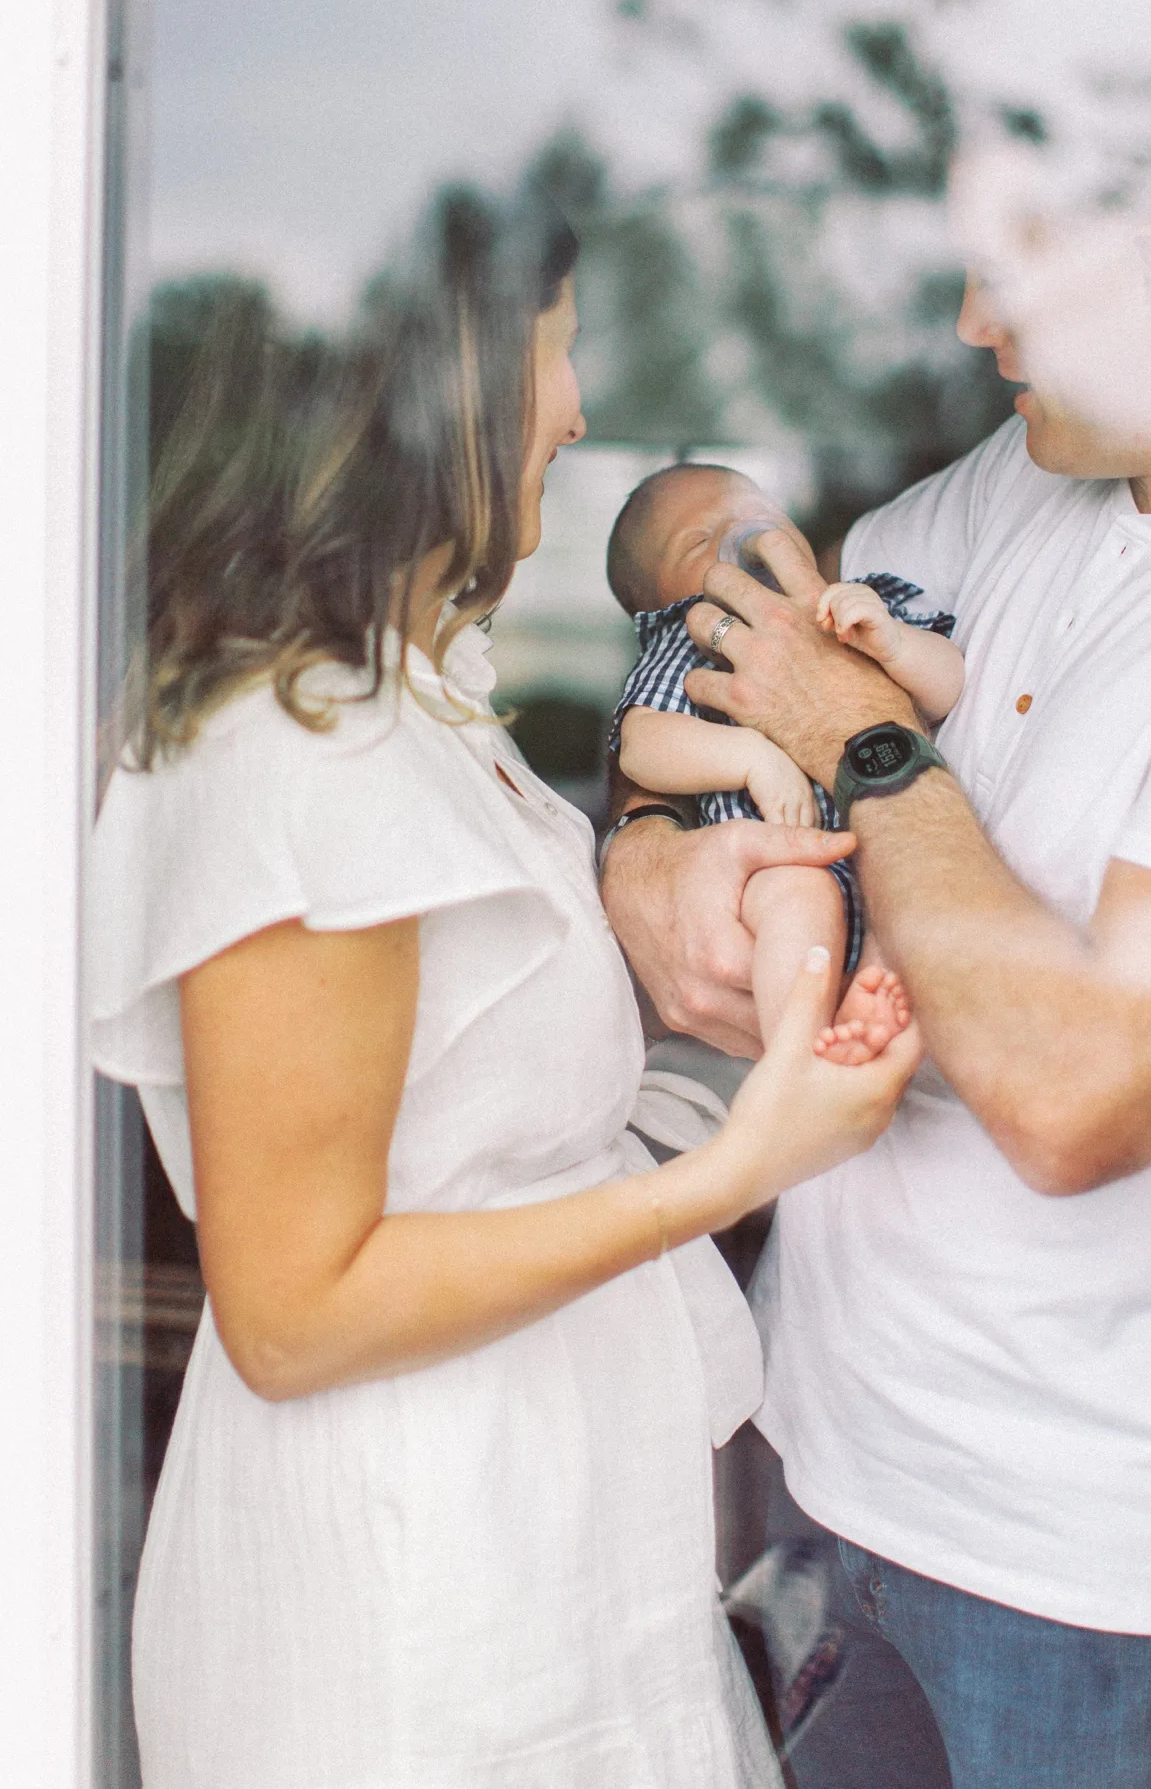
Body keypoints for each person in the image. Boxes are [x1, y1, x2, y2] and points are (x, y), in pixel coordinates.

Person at [601, 256, 1151, 1789]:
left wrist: (862, 734)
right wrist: (643, 855)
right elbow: (748, 700)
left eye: (1015, 262)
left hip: (1108, 1596)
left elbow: (1073, 1093)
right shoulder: (1023, 479)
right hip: (830, 1482)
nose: (967, 324)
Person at [87, 190, 917, 1789]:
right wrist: (743, 1171)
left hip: (527, 1559)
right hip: (410, 1617)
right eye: (560, 350)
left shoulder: (412, 710)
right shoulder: (296, 753)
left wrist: (713, 1020)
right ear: (443, 385)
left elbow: (482, 1107)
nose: (580, 408)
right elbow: (296, 1305)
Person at [606, 462, 962, 1061]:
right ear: (661, 596)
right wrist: (750, 759)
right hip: (785, 860)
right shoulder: (689, 640)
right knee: (798, 903)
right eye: (698, 541)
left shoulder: (859, 602)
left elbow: (948, 684)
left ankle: (869, 1014)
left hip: (897, 847)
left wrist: (895, 644)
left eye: (758, 511)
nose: (742, 531)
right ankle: (798, 1055)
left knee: (912, 915)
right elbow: (642, 745)